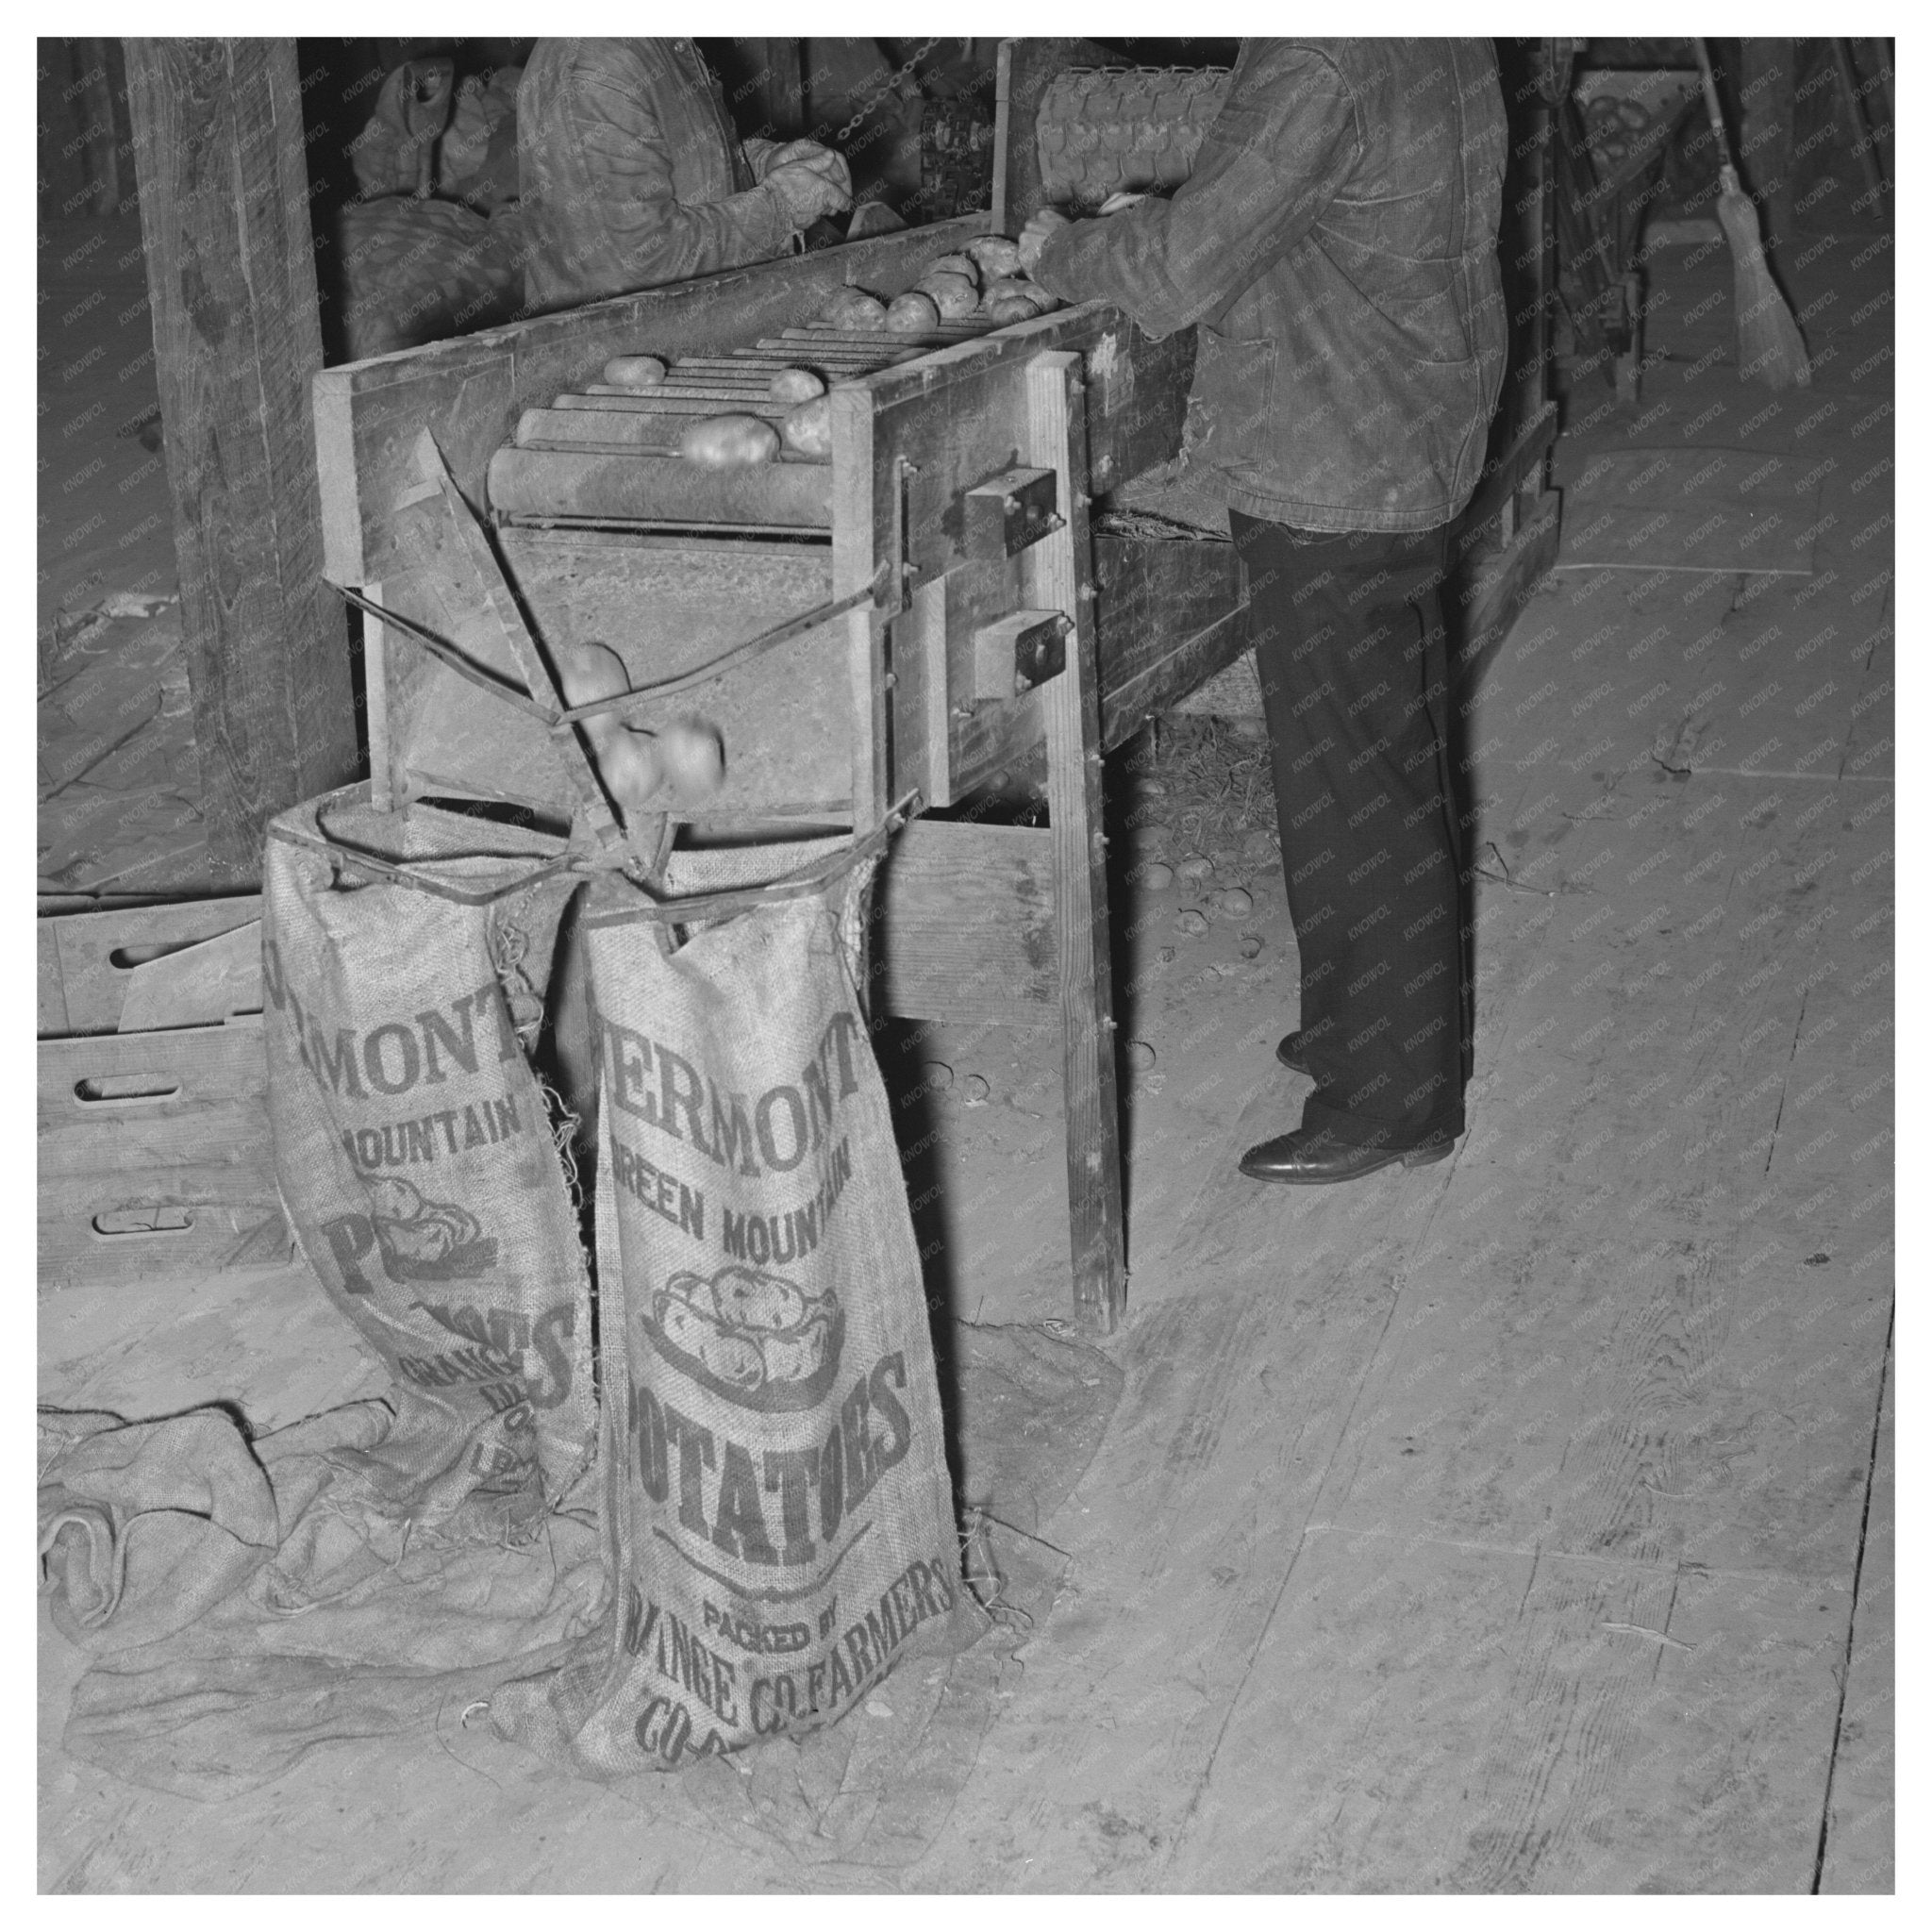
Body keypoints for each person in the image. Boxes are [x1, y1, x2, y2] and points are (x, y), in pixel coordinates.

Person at [1020, 39, 1507, 1186]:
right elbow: (1315, 211)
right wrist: (1176, 216)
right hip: (1403, 426)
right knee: (1379, 762)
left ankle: (1390, 1101)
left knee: (1353, 789)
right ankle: (1368, 1030)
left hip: (1334, 454)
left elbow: (1183, 270)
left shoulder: (1317, 49)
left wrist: (1065, 251)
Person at [517, 37, 854, 310]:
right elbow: (638, 269)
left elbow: (677, 164)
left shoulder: (661, 41)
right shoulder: (595, 68)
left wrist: (764, 164)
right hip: (628, 371)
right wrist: (777, 209)